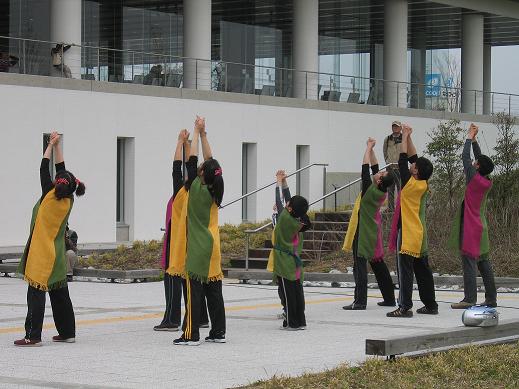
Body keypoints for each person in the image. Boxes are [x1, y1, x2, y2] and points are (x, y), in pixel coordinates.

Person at [15, 131, 86, 346]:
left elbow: (43, 167)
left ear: (56, 184)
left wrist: (50, 145)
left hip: (41, 252)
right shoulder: (68, 201)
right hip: (57, 253)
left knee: (35, 294)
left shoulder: (48, 194)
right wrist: (57, 146)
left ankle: (33, 336)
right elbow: (60, 170)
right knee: (59, 292)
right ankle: (67, 332)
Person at [174, 116, 226, 346]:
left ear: (202, 175)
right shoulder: (215, 190)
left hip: (197, 248)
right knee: (214, 291)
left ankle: (191, 334)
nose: (199, 169)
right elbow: (209, 161)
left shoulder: (196, 190)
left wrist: (195, 132)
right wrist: (203, 134)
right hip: (213, 246)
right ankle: (218, 332)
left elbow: (193, 159)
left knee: (194, 292)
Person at [155, 129, 209, 332]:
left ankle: (171, 319)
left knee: (172, 279)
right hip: (193, 241)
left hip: (177, 242)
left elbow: (176, 168)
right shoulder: (202, 192)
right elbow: (188, 167)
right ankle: (200, 317)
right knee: (193, 282)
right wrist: (188, 143)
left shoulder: (181, 193)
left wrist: (179, 142)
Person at [387, 124, 438, 318]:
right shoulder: (423, 183)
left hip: (407, 233)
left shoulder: (409, 183)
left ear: (415, 172)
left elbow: (402, 158)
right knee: (422, 270)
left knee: (405, 271)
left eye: (413, 167)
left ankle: (404, 306)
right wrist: (409, 136)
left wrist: (403, 137)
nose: (411, 165)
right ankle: (431, 305)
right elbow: (414, 159)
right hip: (420, 233)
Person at [342, 138, 396, 310]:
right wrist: (372, 149)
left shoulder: (368, 189)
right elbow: (374, 167)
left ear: (379, 181)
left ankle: (360, 301)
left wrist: (367, 148)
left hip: (364, 230)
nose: (378, 173)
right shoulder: (381, 190)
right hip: (374, 229)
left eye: (380, 175)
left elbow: (365, 169)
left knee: (359, 264)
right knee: (378, 264)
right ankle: (389, 298)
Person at [450, 124, 497, 309]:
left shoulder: (472, 178)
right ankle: (491, 298)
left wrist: (469, 137)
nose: (474, 163)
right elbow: (479, 160)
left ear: (477, 168)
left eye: (476, 163)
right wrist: (476, 140)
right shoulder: (486, 181)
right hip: (481, 226)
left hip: (470, 226)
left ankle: (469, 298)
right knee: (484, 262)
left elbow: (464, 157)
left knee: (468, 261)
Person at [267, 189, 311, 330]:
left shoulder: (285, 219)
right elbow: (289, 204)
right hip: (295, 261)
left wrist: (279, 184)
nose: (286, 203)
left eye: (289, 203)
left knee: (288, 293)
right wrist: (284, 184)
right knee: (298, 291)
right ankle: (301, 321)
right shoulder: (299, 223)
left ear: (290, 208)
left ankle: (292, 323)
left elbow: (280, 204)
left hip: (285, 261)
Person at [383, 121, 403, 210]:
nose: (395, 128)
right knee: (390, 188)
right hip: (390, 167)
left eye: (397, 126)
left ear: (400, 128)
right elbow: (385, 151)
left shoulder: (404, 138)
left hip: (400, 167)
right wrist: (387, 161)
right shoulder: (387, 139)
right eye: (393, 126)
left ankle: (401, 207)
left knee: (401, 188)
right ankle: (390, 208)